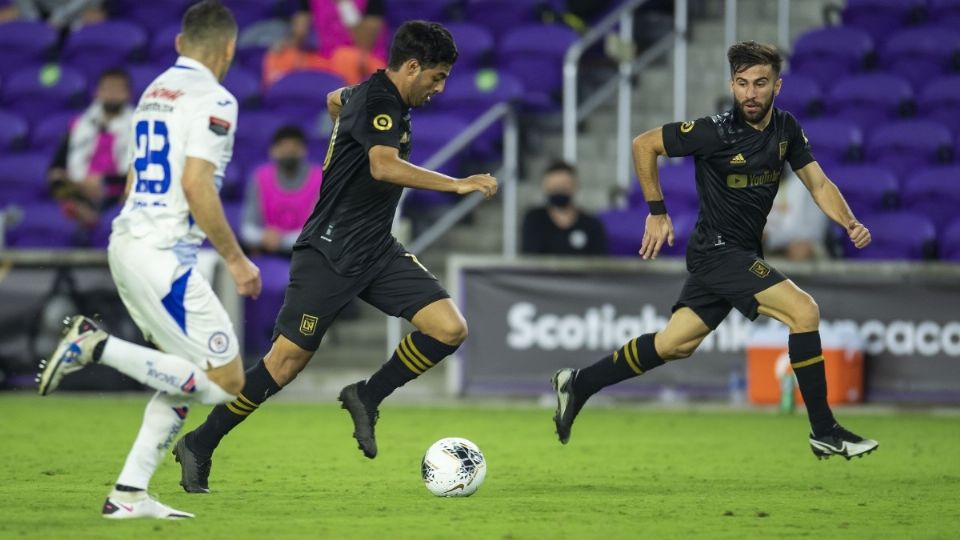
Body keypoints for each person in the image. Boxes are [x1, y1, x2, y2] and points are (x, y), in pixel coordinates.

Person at [173, 20, 498, 493]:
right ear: (411, 67)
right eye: (437, 76)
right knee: (284, 365)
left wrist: (344, 131)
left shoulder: (373, 97)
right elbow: (382, 166)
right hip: (329, 250)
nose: (440, 88)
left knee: (449, 328)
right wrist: (456, 183)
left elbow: (334, 99)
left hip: (376, 248)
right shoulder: (381, 101)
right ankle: (201, 442)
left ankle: (366, 394)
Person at [551, 41, 879, 460]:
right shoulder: (714, 131)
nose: (751, 93)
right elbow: (643, 144)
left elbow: (818, 183)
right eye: (742, 83)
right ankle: (824, 430)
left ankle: (578, 382)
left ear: (777, 85)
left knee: (674, 344)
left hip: (739, 253)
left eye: (760, 83)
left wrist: (848, 222)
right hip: (718, 253)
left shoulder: (787, 129)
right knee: (804, 311)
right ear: (732, 85)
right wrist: (656, 211)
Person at [37, 0, 261, 519]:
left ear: (181, 44)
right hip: (163, 257)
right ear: (229, 48)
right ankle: (96, 346)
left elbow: (138, 174)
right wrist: (236, 260)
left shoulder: (155, 91)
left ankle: (128, 494)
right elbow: (196, 184)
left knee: (179, 373)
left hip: (130, 242)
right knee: (227, 383)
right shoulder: (216, 99)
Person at [48, 68, 133, 229]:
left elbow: (139, 170)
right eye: (108, 89)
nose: (112, 94)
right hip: (78, 189)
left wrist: (102, 181)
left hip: (118, 193)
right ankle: (83, 212)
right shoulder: (80, 125)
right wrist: (79, 184)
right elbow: (56, 166)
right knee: (57, 181)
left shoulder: (138, 126)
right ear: (97, 93)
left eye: (118, 89)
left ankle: (93, 216)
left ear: (128, 94)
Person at [264, 0, 388, 86]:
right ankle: (278, 105)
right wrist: (287, 43)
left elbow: (365, 43)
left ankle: (349, 108)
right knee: (281, 55)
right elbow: (298, 35)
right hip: (326, 59)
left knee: (345, 57)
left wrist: (344, 4)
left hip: (366, 61)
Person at [241, 125, 322, 255]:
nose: (289, 151)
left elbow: (317, 231)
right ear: (272, 150)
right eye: (284, 146)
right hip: (266, 251)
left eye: (294, 146)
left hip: (306, 255)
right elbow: (247, 229)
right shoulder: (260, 177)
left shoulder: (320, 178)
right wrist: (263, 237)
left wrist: (280, 240)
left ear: (304, 150)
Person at [521, 160, 607, 256]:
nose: (558, 190)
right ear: (545, 187)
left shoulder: (592, 226)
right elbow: (530, 260)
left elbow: (599, 264)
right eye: (553, 186)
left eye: (564, 185)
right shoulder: (534, 220)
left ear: (575, 186)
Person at [763, 169, 827, 261]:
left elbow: (814, 232)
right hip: (762, 246)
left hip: (795, 243)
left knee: (801, 249)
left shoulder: (809, 182)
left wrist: (771, 238)